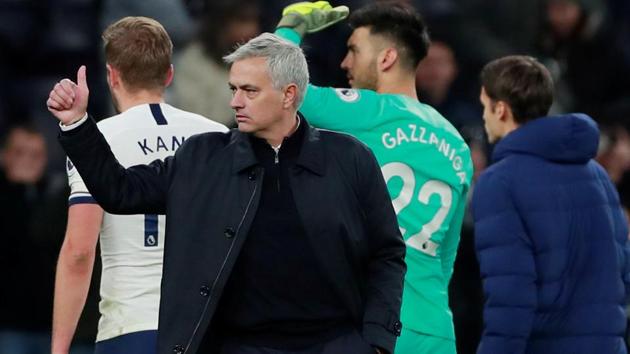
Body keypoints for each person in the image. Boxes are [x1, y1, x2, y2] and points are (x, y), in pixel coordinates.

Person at [47, 32, 405, 354]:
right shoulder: (202, 157)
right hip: (241, 345)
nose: (235, 102)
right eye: (233, 89)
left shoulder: (350, 158)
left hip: (334, 343)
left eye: (249, 91)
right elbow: (120, 191)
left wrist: (377, 341)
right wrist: (77, 124)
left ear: (289, 95)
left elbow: (387, 253)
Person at [275, 2, 473, 353]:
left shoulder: (369, 111)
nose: (344, 63)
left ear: (386, 59)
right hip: (434, 328)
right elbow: (446, 258)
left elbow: (280, 86)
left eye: (353, 50)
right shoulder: (456, 143)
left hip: (378, 324)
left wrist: (292, 27)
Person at [50, 16, 228, 354]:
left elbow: (79, 250)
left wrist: (59, 348)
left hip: (131, 327)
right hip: (206, 327)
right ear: (169, 74)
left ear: (112, 76)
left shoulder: (97, 141)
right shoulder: (217, 136)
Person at [473, 55, 630, 354]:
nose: (483, 117)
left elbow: (511, 297)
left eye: (485, 107)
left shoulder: (499, 182)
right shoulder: (597, 174)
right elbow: (624, 270)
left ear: (501, 109)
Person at [0, 124, 70, 354]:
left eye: (36, 155)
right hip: (9, 325)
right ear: (4, 155)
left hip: (52, 324)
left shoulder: (58, 199)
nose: (28, 161)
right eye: (20, 153)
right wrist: (17, 190)